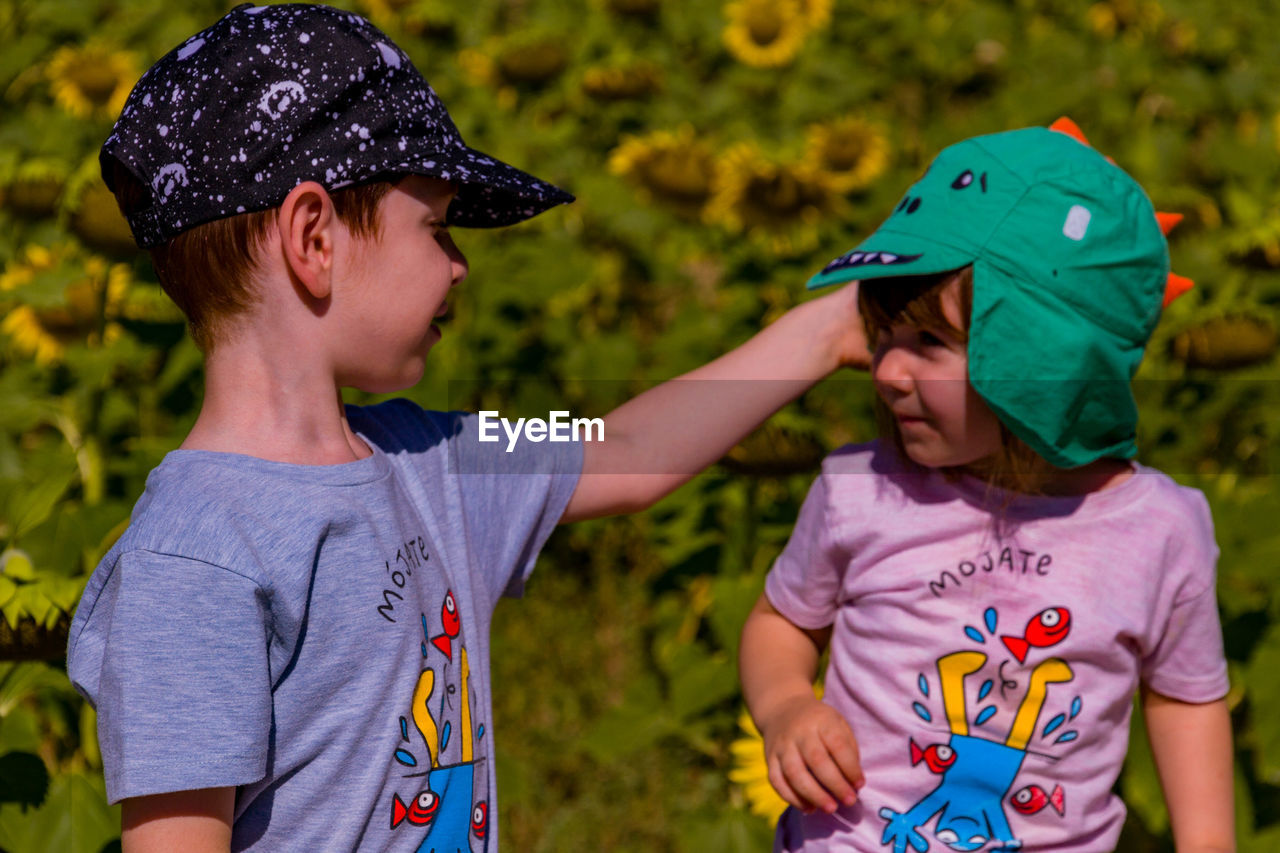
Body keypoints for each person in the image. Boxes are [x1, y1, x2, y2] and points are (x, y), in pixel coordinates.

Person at [64, 4, 868, 851]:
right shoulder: (195, 559)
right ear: (314, 238)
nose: (461, 265)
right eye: (438, 227)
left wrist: (831, 329)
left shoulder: (430, 458)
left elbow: (630, 452)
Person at [739, 120, 1234, 853]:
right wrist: (785, 706)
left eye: (929, 343)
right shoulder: (860, 491)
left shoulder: (1159, 529)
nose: (884, 371)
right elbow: (781, 622)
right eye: (885, 334)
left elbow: (1185, 698)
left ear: (1046, 365)